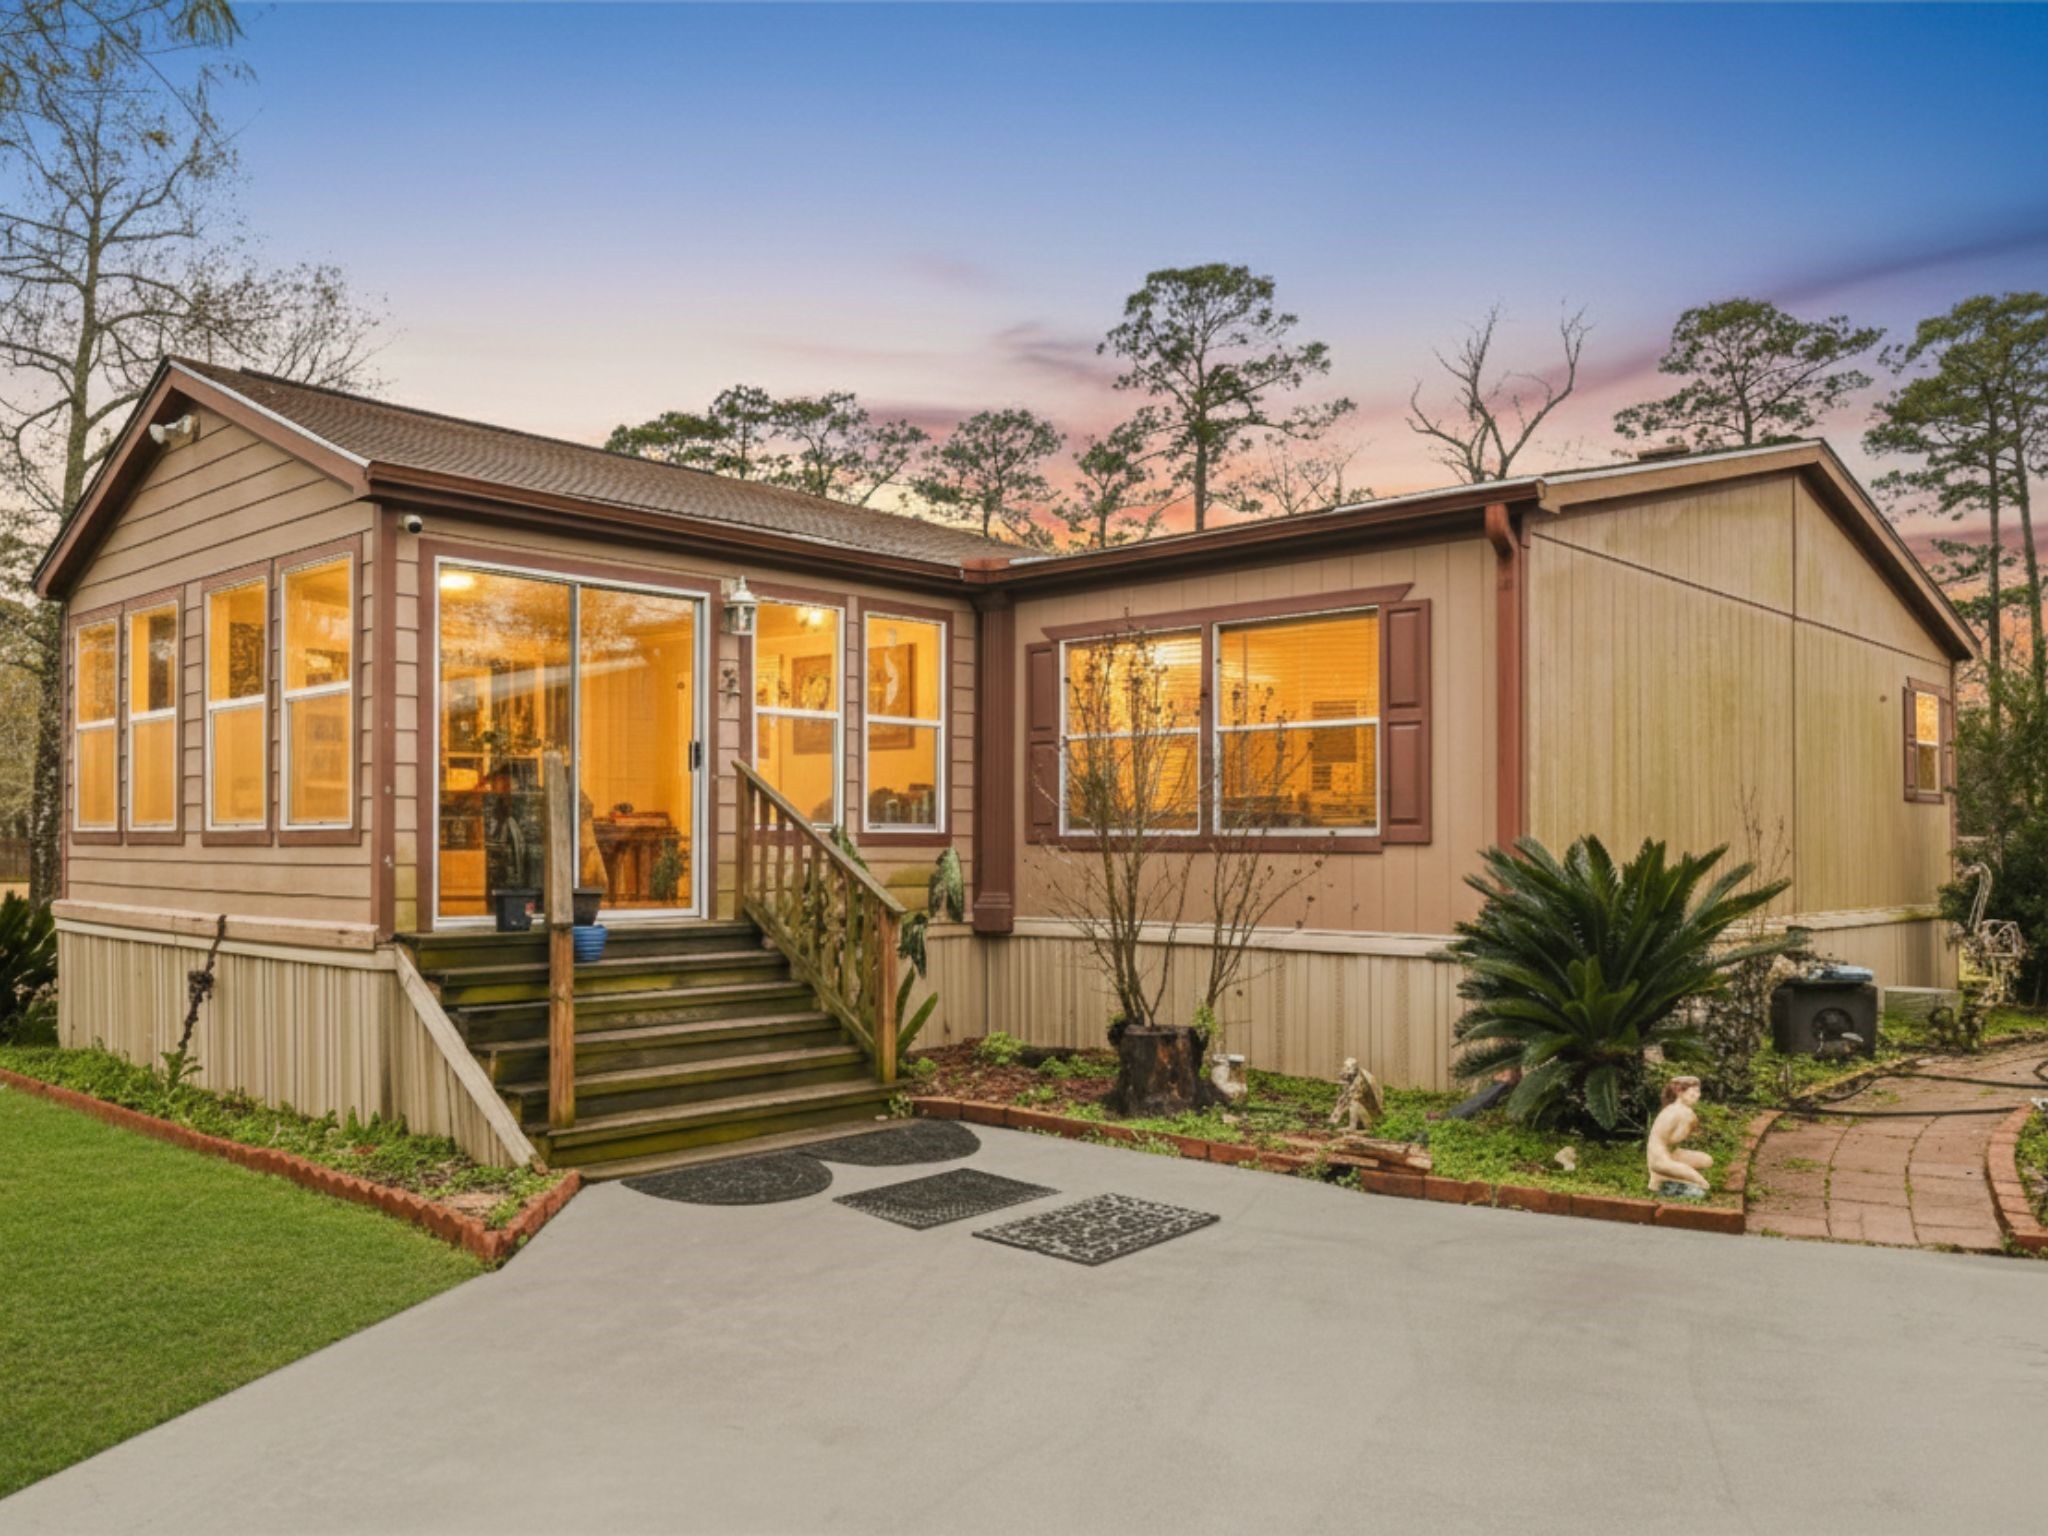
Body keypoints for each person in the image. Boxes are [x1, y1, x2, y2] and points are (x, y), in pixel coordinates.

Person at [1646, 1075, 1713, 1200]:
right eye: (1693, 1093)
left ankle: (1666, 1177)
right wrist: (1689, 1127)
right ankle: (1660, 1178)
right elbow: (1672, 1139)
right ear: (1680, 1092)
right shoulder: (1677, 1112)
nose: (1697, 1096)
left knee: (1707, 1160)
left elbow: (1673, 1142)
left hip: (1672, 1153)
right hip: (1658, 1159)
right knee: (1703, 1184)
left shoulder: (1683, 1111)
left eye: (1698, 1092)